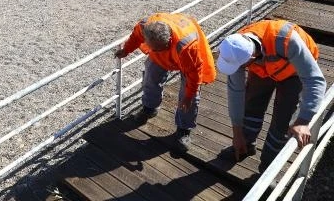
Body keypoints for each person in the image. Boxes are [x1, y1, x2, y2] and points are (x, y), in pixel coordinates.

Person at [216, 19, 325, 171]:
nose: (238, 70)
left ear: (251, 59)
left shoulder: (288, 41)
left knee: (283, 119)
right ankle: (245, 145)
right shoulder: (236, 48)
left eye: (241, 67)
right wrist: (237, 133)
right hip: (265, 66)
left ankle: (268, 165)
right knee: (252, 104)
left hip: (294, 72)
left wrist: (303, 120)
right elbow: (236, 92)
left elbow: (315, 80)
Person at [115, 12, 216, 152]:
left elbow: (194, 75)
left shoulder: (187, 46)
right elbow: (136, 37)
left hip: (187, 59)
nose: (152, 50)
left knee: (191, 96)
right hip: (163, 56)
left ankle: (184, 129)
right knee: (150, 75)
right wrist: (126, 50)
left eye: (156, 48)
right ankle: (149, 108)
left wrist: (187, 97)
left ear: (168, 41)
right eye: (150, 48)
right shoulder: (145, 26)